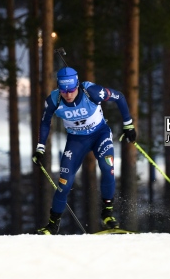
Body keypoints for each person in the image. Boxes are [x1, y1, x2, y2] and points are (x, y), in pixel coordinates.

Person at [32, 66, 136, 235]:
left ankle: (107, 214)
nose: (67, 94)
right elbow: (45, 122)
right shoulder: (53, 99)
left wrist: (128, 124)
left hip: (99, 134)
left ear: (77, 84)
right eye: (63, 90)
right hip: (76, 140)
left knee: (107, 168)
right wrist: (40, 148)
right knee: (64, 184)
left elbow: (119, 96)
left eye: (71, 89)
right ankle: (52, 226)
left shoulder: (92, 92)